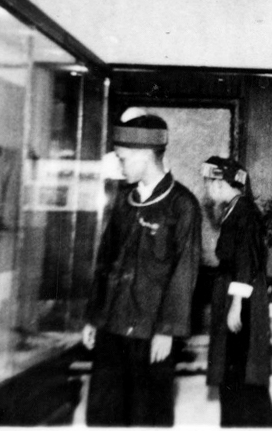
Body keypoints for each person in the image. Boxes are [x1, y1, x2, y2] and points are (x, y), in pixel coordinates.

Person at [82, 110, 202, 427]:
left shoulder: (182, 205)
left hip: (150, 333)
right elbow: (105, 261)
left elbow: (184, 273)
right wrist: (94, 316)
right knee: (104, 414)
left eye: (123, 158)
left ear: (145, 155)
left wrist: (167, 330)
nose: (119, 166)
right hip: (111, 326)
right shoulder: (124, 201)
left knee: (147, 416)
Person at [203, 156, 272, 428]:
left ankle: (246, 422)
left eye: (208, 183)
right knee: (235, 366)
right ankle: (238, 420)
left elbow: (245, 261)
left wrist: (235, 305)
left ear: (220, 183)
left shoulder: (243, 212)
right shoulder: (236, 209)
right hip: (236, 290)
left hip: (241, 296)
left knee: (239, 365)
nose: (207, 189)